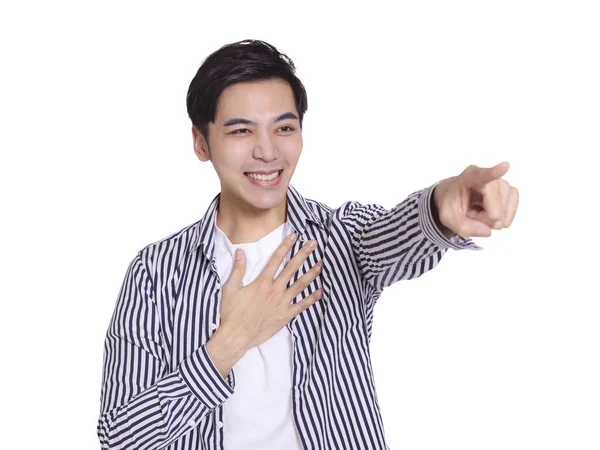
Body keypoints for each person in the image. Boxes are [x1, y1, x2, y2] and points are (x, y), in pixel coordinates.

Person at [97, 39, 519, 450]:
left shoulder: (341, 237)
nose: (267, 151)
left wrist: (443, 206)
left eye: (284, 127)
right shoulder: (156, 273)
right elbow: (120, 438)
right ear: (201, 142)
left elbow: (398, 233)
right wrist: (231, 342)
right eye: (241, 130)